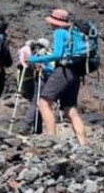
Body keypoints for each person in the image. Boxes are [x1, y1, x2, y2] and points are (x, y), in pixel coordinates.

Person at [27, 9, 88, 145]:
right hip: (76, 73)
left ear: (54, 22)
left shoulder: (59, 32)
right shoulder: (73, 34)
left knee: (44, 102)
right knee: (70, 110)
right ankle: (83, 144)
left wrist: (34, 59)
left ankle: (51, 139)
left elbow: (57, 54)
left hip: (63, 71)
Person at [18, 39, 52, 134]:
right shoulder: (45, 54)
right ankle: (27, 126)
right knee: (38, 102)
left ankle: (37, 128)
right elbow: (51, 68)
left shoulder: (38, 55)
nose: (37, 47)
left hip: (39, 79)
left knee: (38, 102)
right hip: (43, 80)